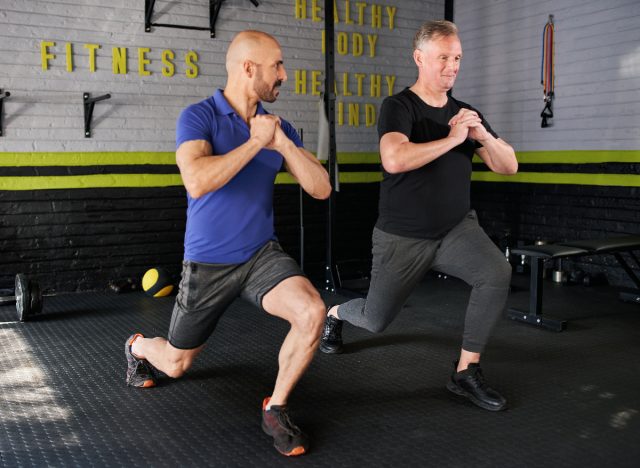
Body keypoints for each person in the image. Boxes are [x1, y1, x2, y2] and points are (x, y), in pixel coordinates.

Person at [124, 30, 331, 456]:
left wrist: (283, 143)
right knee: (178, 365)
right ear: (248, 68)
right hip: (208, 262)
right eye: (277, 65)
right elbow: (197, 181)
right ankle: (138, 347)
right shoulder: (199, 117)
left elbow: (322, 188)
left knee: (312, 312)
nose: (284, 75)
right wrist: (256, 142)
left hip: (261, 256)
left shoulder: (280, 128)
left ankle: (276, 407)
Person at [320, 20, 518, 412]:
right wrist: (452, 139)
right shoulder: (399, 106)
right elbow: (394, 159)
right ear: (419, 58)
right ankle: (335, 312)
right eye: (443, 57)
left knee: (496, 272)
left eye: (457, 57)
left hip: (456, 230)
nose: (452, 65)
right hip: (403, 237)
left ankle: (465, 372)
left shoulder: (466, 114)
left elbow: (508, 165)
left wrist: (483, 137)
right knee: (376, 319)